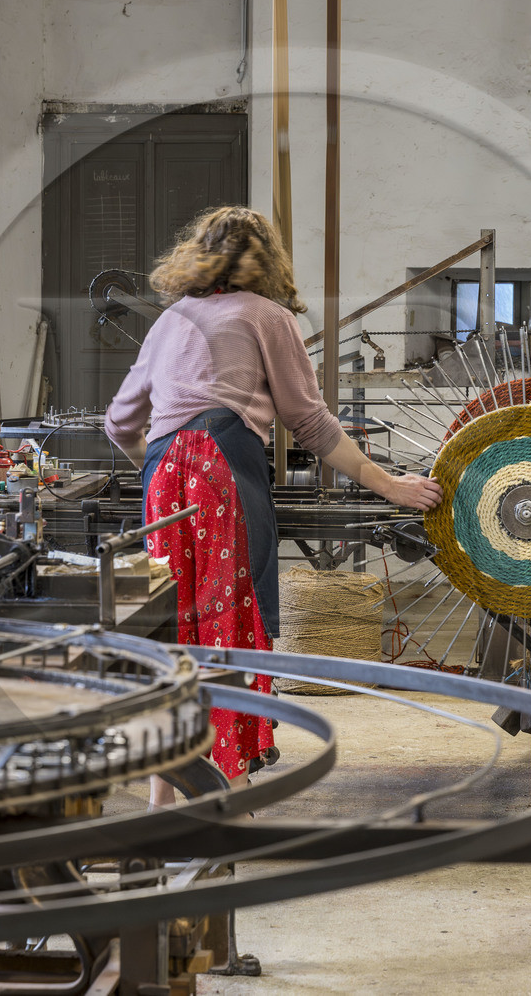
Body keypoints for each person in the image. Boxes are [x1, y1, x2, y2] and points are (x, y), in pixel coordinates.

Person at [105, 206, 441, 791]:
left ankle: (166, 800)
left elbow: (119, 423)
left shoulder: (170, 319)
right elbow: (309, 422)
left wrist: (158, 470)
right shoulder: (268, 316)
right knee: (226, 630)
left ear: (197, 255)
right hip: (220, 476)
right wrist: (391, 485)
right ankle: (229, 795)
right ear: (268, 259)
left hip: (164, 480)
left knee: (172, 632)